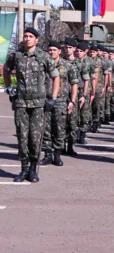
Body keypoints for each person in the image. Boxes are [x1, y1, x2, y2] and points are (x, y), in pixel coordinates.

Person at [3, 27, 60, 183]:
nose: (27, 39)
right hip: (21, 102)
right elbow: (6, 70)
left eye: (30, 36)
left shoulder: (43, 57)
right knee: (22, 136)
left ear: (37, 39)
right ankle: (24, 169)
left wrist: (53, 98)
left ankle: (33, 169)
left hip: (38, 104)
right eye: (25, 36)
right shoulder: (16, 55)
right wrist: (9, 88)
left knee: (35, 138)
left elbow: (56, 77)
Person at [41, 41, 79, 167]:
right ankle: (47, 155)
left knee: (59, 129)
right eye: (50, 50)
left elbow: (74, 84)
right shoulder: (43, 65)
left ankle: (57, 155)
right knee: (45, 130)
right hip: (45, 101)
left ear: (59, 51)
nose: (51, 52)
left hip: (61, 102)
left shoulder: (68, 66)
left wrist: (72, 101)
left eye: (54, 50)